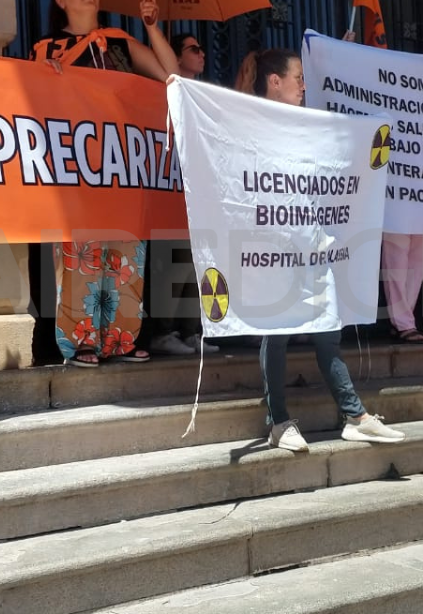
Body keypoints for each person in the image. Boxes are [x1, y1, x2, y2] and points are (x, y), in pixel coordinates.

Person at [234, 48, 405, 451]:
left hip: (313, 246)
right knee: (275, 332)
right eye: (297, 78)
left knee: (328, 328)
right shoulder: (251, 121)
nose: (304, 86)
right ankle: (278, 421)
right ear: (274, 81)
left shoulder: (308, 124)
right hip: (274, 249)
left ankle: (354, 416)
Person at [31, 0, 179, 368]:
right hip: (77, 167)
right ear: (60, 0)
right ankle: (81, 343)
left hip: (123, 164)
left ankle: (122, 340)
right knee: (81, 254)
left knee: (126, 254)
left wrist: (151, 27)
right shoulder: (45, 49)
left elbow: (172, 76)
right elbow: (30, 101)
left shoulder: (118, 42)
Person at [151, 34, 218, 356]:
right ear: (176, 57)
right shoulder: (161, 91)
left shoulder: (203, 94)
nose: (202, 53)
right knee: (173, 263)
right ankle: (163, 332)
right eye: (194, 48)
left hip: (197, 189)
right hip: (169, 187)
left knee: (196, 262)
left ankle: (191, 331)